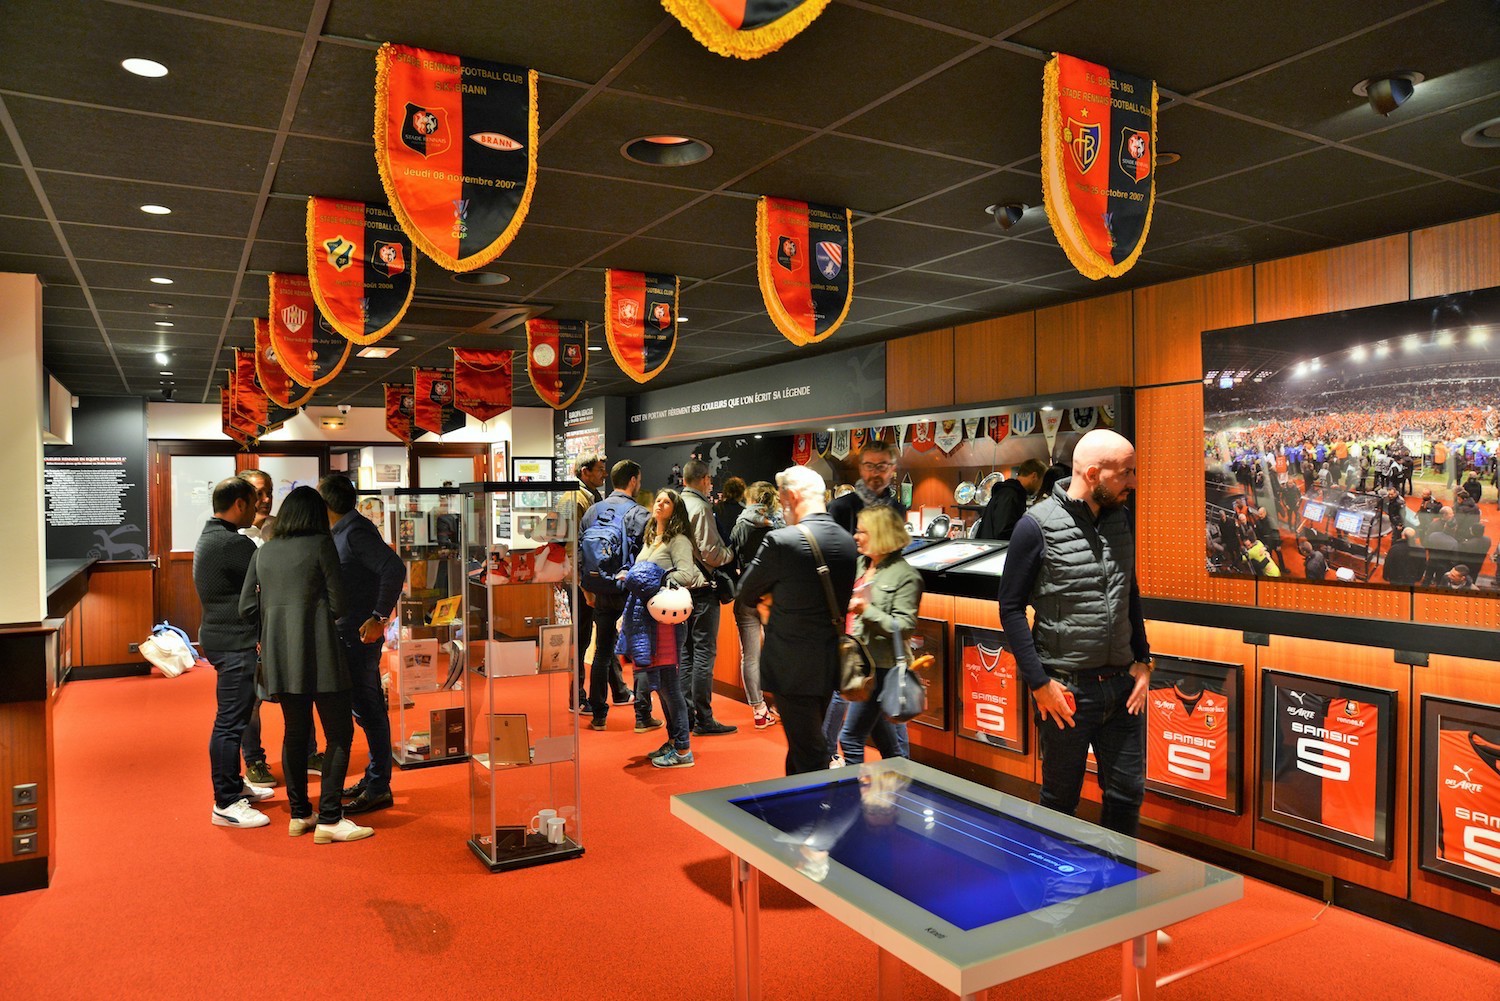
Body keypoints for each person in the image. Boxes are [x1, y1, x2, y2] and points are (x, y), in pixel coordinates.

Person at [997, 429, 1152, 837]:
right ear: (1095, 473)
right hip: (1065, 693)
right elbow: (1011, 608)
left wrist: (1144, 660)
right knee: (1060, 802)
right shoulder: (1036, 526)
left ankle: (1119, 891)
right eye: (1126, 474)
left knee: (1126, 795)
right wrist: (1038, 683)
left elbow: (1128, 591)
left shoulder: (1121, 518)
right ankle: (1057, 896)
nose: (1133, 483)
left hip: (1122, 688)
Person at [238, 487, 371, 844]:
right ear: (315, 514)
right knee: (339, 734)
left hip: (281, 656)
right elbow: (339, 604)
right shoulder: (320, 545)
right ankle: (329, 817)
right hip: (322, 652)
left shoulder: (263, 552)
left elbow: (246, 608)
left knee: (294, 734)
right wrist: (314, 618)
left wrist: (275, 626)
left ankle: (300, 814)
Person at [737, 465, 858, 776]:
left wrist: (770, 600)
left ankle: (812, 818)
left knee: (809, 754)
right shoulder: (847, 542)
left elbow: (746, 592)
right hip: (829, 663)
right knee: (805, 747)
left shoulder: (781, 541)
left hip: (790, 666)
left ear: (790, 496)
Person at [318, 474, 405, 815]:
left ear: (327, 503)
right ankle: (374, 778)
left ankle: (379, 785)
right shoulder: (344, 531)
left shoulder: (354, 532)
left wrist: (378, 616)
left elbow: (393, 567)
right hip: (349, 633)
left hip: (359, 635)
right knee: (364, 708)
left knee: (369, 707)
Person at [193, 476, 274, 828]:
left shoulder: (211, 536)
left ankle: (234, 785)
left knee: (234, 720)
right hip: (234, 641)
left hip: (220, 637)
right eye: (254, 503)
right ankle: (225, 802)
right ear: (240, 504)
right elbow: (270, 578)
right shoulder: (232, 544)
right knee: (230, 723)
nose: (259, 509)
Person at [238, 469, 320, 789]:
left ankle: (309, 752)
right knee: (251, 701)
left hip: (284, 626)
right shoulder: (234, 535)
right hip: (249, 629)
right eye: (259, 493)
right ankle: (255, 761)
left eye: (269, 491)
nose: (266, 499)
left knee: (299, 689)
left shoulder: (281, 529)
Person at [628, 488, 706, 768]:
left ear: (676, 509)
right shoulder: (651, 539)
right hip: (649, 621)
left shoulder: (679, 540)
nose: (660, 504)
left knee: (670, 687)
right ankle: (674, 741)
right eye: (658, 499)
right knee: (660, 686)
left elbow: (688, 573)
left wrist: (655, 577)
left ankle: (684, 750)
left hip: (668, 623)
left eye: (667, 501)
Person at [838, 505, 920, 765]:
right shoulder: (862, 564)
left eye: (861, 531)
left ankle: (853, 800)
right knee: (886, 743)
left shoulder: (906, 576)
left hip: (882, 668)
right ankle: (900, 787)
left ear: (880, 534)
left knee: (850, 737)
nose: (855, 536)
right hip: (860, 663)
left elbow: (905, 626)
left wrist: (866, 610)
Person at [579, 460, 653, 730]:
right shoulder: (640, 514)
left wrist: (587, 589)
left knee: (602, 651)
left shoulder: (592, 511)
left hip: (600, 590)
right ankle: (643, 716)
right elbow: (648, 558)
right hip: (630, 591)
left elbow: (579, 554)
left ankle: (599, 714)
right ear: (633, 480)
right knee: (642, 652)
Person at [561, 454, 631, 711]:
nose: (604, 475)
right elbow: (572, 545)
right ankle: (577, 697)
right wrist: (582, 584)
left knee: (604, 636)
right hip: (585, 581)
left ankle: (619, 690)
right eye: (600, 470)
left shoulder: (588, 497)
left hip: (592, 578)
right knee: (583, 640)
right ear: (584, 472)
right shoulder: (575, 499)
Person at [678, 458, 736, 736]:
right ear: (703, 479)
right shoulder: (701, 507)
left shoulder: (674, 504)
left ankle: (685, 715)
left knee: (685, 654)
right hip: (701, 590)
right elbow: (711, 552)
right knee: (703, 654)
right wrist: (731, 554)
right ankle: (704, 718)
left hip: (678, 590)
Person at [728, 481, 781, 729]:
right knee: (779, 650)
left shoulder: (742, 523)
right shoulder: (783, 524)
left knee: (750, 656)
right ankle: (781, 703)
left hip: (748, 591)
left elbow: (732, 553)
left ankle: (759, 710)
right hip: (776, 595)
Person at [828, 441, 906, 535]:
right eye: (869, 466)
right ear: (860, 468)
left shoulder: (897, 510)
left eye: (882, 467)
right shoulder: (839, 508)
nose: (875, 473)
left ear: (892, 469)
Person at [974, 459, 1046, 540]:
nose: (1039, 487)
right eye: (1041, 482)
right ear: (1034, 476)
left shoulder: (1011, 493)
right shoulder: (1010, 495)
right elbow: (1004, 532)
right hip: (997, 550)